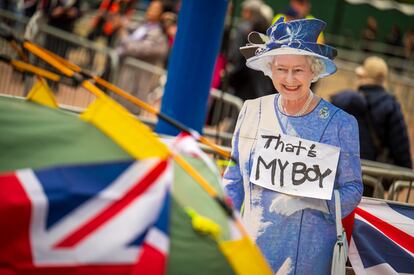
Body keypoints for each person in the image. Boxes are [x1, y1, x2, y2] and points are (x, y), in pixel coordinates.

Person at [223, 17, 363, 274]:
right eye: (281, 69)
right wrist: (223, 229)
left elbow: (353, 188)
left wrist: (312, 201)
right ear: (269, 68)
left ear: (314, 70)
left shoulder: (340, 124)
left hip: (309, 256)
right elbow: (233, 177)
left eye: (298, 70)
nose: (289, 78)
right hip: (252, 249)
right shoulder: (251, 111)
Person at [114, 0, 169, 113]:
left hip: (137, 83)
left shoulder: (159, 36)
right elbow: (128, 30)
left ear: (161, 14)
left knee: (129, 111)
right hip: (124, 77)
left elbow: (138, 49)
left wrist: (124, 37)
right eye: (150, 7)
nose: (150, 10)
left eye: (155, 9)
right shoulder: (143, 26)